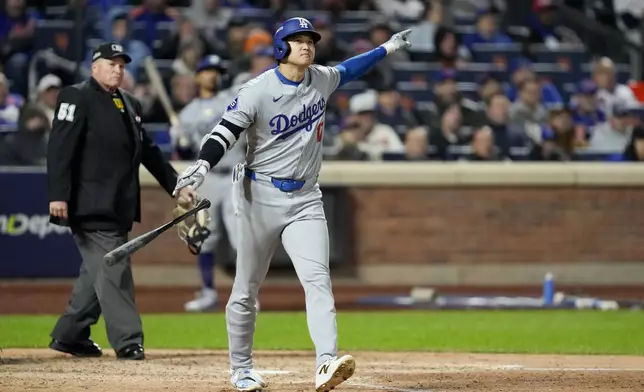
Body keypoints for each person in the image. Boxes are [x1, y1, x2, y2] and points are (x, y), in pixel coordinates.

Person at [173, 17, 412, 392]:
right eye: (298, 40)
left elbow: (350, 68)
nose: (306, 45)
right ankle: (241, 369)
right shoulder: (257, 89)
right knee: (245, 289)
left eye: (310, 40)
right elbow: (225, 131)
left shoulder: (320, 78)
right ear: (281, 47)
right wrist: (202, 165)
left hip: (305, 199)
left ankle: (325, 362)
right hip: (259, 197)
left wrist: (387, 48)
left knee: (318, 281)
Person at [46, 42, 195, 360]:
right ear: (93, 66)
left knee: (98, 271)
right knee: (115, 269)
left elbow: (150, 153)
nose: (117, 69)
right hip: (89, 203)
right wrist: (58, 194)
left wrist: (176, 187)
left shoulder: (130, 103)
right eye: (110, 63)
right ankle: (128, 340)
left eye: (121, 64)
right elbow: (60, 148)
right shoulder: (77, 96)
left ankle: (70, 334)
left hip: (118, 204)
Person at [174, 55, 246, 312]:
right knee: (205, 237)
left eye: (217, 71)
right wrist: (180, 143)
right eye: (208, 70)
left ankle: (246, 295)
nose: (212, 75)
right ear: (198, 76)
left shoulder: (232, 101)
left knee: (242, 238)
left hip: (235, 174)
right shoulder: (187, 113)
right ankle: (207, 292)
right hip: (208, 179)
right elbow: (184, 155)